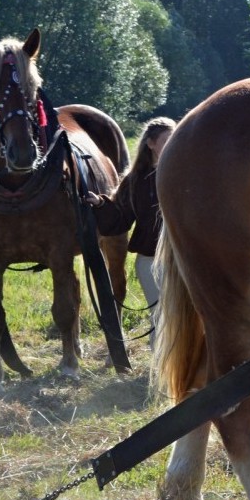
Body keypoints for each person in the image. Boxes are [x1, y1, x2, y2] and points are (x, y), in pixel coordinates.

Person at [85, 117, 176, 347]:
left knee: (190, 313)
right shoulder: (135, 181)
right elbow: (120, 219)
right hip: (150, 260)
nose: (174, 143)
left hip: (185, 258)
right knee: (159, 314)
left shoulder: (189, 174)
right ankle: (161, 365)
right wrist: (100, 204)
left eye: (176, 137)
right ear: (151, 144)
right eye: (167, 139)